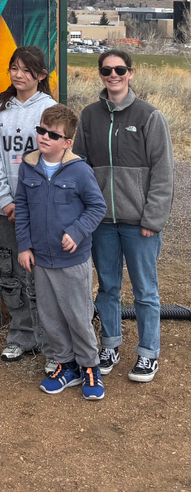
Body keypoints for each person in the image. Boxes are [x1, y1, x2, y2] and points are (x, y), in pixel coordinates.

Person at [73, 50, 174, 383]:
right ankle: (110, 345)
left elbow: (163, 172)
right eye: (107, 70)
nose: (113, 75)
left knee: (145, 290)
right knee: (107, 288)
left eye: (119, 69)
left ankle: (148, 352)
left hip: (139, 223)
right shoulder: (89, 116)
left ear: (130, 73)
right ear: (100, 74)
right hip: (102, 222)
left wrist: (153, 219)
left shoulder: (149, 116)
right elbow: (79, 167)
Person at [15, 104, 108, 399]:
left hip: (72, 260)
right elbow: (22, 209)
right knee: (51, 317)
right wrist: (24, 246)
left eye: (53, 135)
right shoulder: (28, 167)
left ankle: (89, 367)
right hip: (42, 260)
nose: (44, 137)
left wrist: (77, 232)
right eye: (41, 131)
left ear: (67, 142)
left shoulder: (79, 170)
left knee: (78, 316)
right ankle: (66, 366)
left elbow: (97, 207)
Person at [0, 45, 56, 366]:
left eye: (27, 70)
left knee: (43, 276)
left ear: (41, 75)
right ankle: (21, 336)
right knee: (12, 274)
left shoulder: (50, 109)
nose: (19, 75)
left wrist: (31, 204)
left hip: (40, 209)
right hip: (6, 211)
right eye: (14, 68)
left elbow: (54, 161)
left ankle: (50, 341)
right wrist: (5, 201)